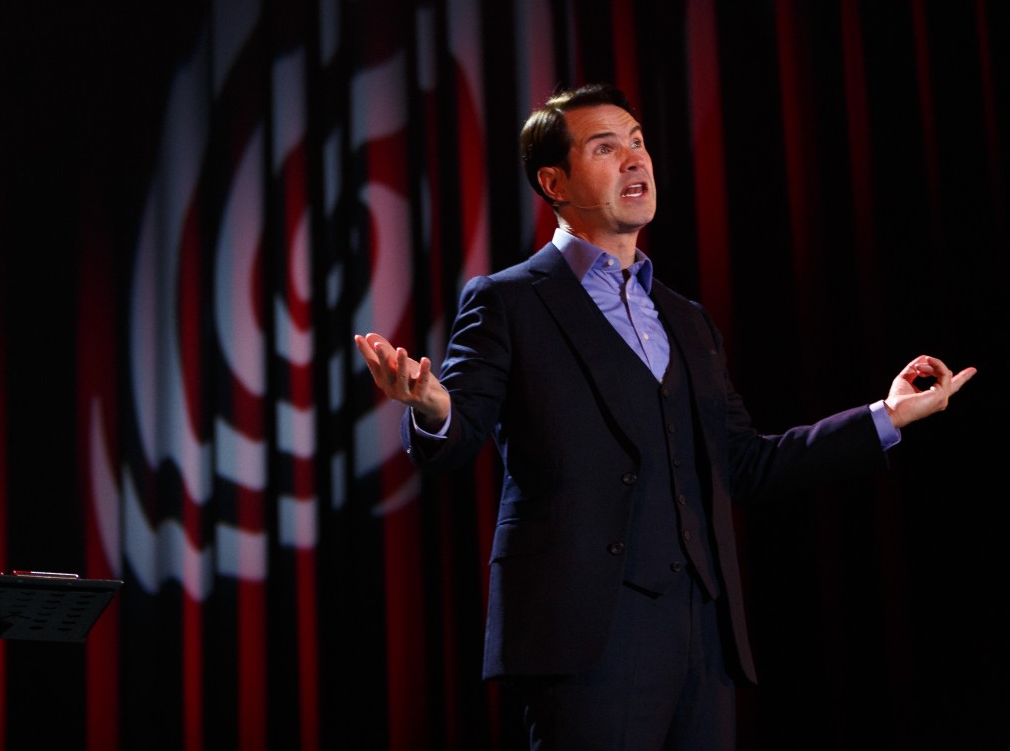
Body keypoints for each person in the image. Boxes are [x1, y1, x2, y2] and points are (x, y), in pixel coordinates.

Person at [353, 82, 976, 750]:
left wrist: (887, 416)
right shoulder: (508, 300)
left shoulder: (686, 318)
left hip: (702, 636)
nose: (635, 160)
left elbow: (746, 461)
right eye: (605, 147)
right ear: (553, 181)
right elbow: (460, 428)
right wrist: (432, 406)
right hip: (585, 634)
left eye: (639, 142)